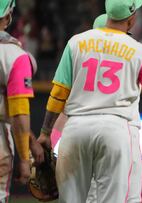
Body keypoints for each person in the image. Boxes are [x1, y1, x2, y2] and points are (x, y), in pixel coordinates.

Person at [36, 0, 142, 202]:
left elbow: (58, 94)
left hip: (76, 127)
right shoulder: (139, 50)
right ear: (132, 20)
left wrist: (46, 133)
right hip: (116, 128)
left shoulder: (76, 42)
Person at [0, 0, 44, 202]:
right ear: (8, 17)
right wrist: (25, 159)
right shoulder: (13, 55)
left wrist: (31, 140)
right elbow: (18, 113)